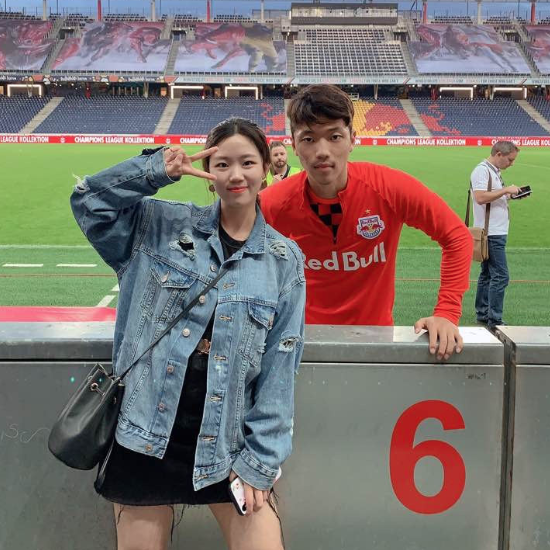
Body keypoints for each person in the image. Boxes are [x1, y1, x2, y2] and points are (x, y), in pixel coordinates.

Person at [70, 117, 306, 550]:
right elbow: (90, 204)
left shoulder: (283, 259)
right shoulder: (159, 225)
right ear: (208, 171)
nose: (235, 175)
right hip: (143, 434)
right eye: (223, 163)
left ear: (265, 168)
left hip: (228, 446)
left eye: (247, 162)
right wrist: (155, 169)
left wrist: (261, 461)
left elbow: (280, 368)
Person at [260, 84, 473, 361]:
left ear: (352, 139)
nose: (322, 151)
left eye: (334, 136)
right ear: (294, 145)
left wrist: (446, 313)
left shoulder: (389, 187)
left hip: (376, 344)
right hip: (301, 345)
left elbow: (457, 236)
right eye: (309, 139)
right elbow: (226, 242)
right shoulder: (274, 202)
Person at [470, 141, 522, 330]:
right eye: (510, 160)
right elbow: (480, 197)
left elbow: (492, 196)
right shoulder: (482, 171)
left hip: (494, 230)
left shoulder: (493, 171)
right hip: (491, 232)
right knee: (501, 276)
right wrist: (506, 190)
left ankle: (484, 314)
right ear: (499, 154)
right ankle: (495, 319)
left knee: (487, 274)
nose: (511, 164)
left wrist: (510, 196)